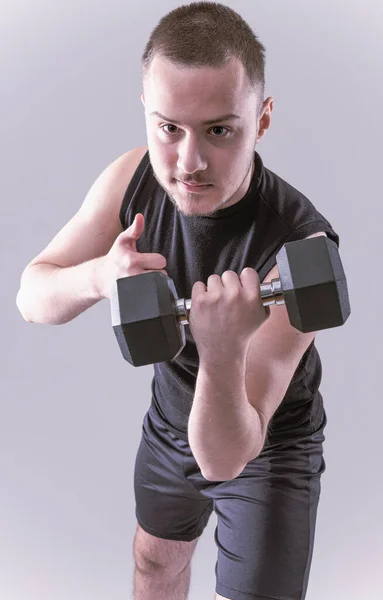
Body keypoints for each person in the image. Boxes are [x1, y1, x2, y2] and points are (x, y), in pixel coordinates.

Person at [16, 3, 342, 600]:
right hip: (170, 423)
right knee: (154, 564)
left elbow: (226, 458)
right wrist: (100, 275)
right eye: (170, 128)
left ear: (262, 119)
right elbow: (31, 297)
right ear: (147, 114)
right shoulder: (133, 178)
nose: (188, 163)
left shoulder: (299, 244)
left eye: (220, 130)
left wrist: (221, 353)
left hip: (265, 447)